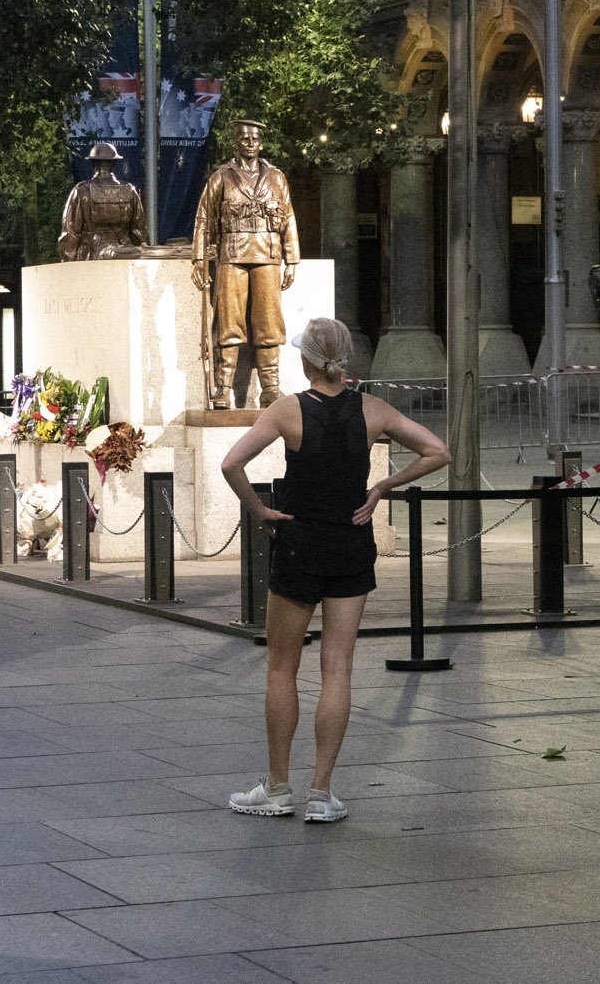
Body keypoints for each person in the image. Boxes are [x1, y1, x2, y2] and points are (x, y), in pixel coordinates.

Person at [220, 318, 450, 822]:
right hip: (352, 543)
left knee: (282, 667)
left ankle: (278, 787)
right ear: (345, 359)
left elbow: (232, 464)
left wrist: (260, 512)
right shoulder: (372, 411)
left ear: (305, 361)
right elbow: (438, 451)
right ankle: (322, 793)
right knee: (337, 669)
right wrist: (384, 486)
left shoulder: (286, 411)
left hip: (300, 542)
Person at [192, 118, 301, 409]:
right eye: (244, 139)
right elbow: (204, 219)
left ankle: (270, 388)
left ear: (261, 143)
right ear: (236, 142)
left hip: (267, 255)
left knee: (268, 323)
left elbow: (288, 218)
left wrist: (292, 259)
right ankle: (223, 390)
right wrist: (199, 259)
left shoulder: (276, 178)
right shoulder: (221, 178)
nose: (249, 144)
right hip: (232, 255)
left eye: (254, 139)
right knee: (228, 323)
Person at [58, 142, 146, 261]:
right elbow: (139, 230)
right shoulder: (130, 190)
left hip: (90, 255)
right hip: (125, 254)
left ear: (93, 164)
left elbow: (71, 231)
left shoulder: (82, 191)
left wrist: (68, 263)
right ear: (114, 163)